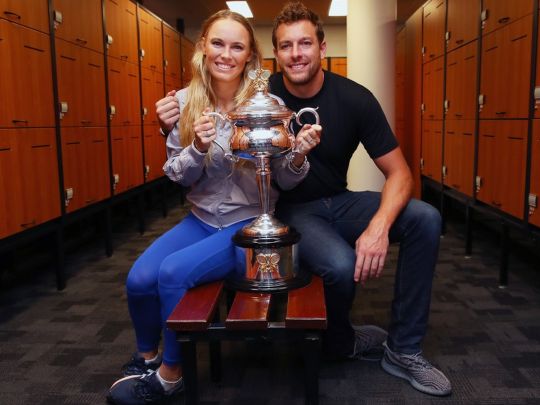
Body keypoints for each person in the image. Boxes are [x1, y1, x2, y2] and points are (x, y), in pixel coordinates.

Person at [106, 9, 319, 405]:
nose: (226, 54)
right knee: (138, 279)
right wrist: (197, 147)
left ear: (249, 55)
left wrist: (298, 155)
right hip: (200, 219)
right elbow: (178, 175)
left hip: (246, 225)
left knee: (172, 273)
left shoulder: (266, 104)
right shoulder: (182, 103)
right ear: (203, 46)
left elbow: (285, 180)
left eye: (237, 47)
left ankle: (172, 375)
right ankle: (147, 359)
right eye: (218, 43)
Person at [269, 1, 452, 397]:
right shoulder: (264, 98)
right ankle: (340, 340)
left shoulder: (354, 98)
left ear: (321, 47)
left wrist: (378, 227)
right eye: (286, 45)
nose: (296, 53)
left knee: (425, 218)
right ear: (277, 53)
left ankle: (403, 350)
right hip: (292, 210)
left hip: (340, 201)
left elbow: (401, 173)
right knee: (341, 264)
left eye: (305, 43)